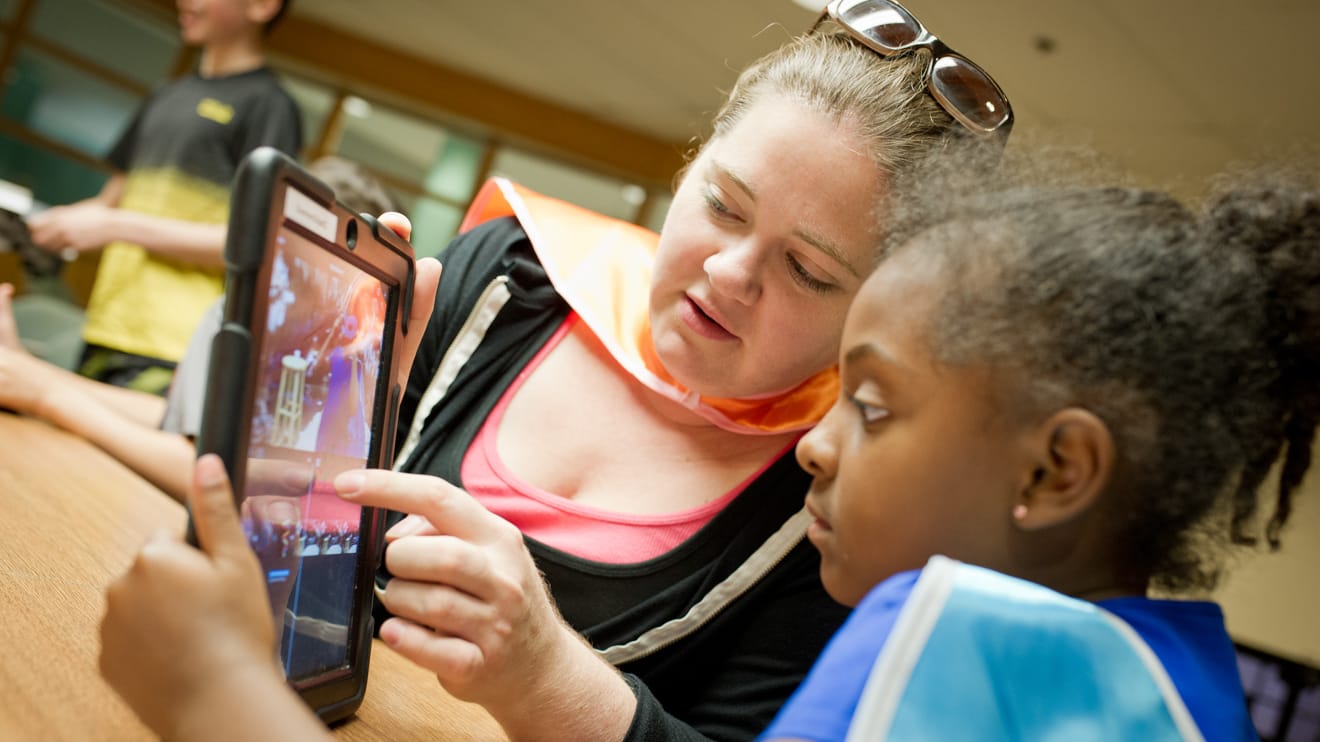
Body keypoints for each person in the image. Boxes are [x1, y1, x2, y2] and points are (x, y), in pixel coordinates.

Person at [100, 3, 1014, 740]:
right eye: (724, 206)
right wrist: (328, 432)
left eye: (810, 271)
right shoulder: (509, 275)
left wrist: (547, 676)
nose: (731, 273)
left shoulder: (836, 504)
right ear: (690, 165)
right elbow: (273, 529)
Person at [757, 165, 1318, 740]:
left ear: (1052, 473)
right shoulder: (1206, 701)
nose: (814, 446)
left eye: (871, 406)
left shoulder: (940, 635)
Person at [0, 157, 399, 501]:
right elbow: (178, 421)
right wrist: (27, 371)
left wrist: (42, 392)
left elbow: (205, 472)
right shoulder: (246, 307)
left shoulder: (351, 354)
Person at [26, 0, 300, 394]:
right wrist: (41, 226)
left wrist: (115, 226)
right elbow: (111, 202)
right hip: (105, 324)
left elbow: (253, 240)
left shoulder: (270, 106)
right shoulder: (167, 95)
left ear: (261, 6)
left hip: (173, 347)